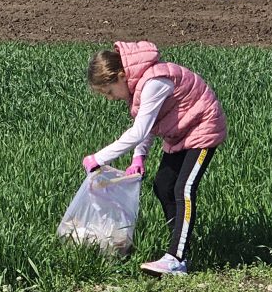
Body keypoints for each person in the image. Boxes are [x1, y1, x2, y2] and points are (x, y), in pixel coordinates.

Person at [83, 40, 226, 276]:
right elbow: (149, 123)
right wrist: (138, 157)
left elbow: (139, 130)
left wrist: (98, 158)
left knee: (183, 189)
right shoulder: (139, 87)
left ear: (121, 76)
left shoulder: (154, 82)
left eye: (109, 91)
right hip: (181, 133)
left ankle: (176, 258)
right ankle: (179, 248)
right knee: (163, 185)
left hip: (203, 127)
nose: (110, 98)